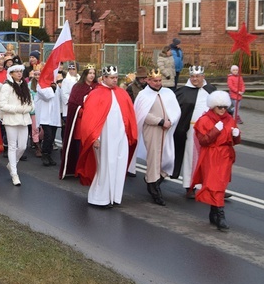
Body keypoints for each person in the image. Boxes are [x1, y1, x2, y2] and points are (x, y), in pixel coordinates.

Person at [76, 66, 137, 207]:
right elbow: (89, 119)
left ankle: (114, 196)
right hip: (104, 138)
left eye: (116, 77)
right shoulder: (96, 94)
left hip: (120, 137)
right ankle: (99, 198)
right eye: (112, 77)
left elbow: (129, 115)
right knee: (105, 167)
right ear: (104, 78)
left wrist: (129, 135)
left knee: (119, 166)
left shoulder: (122, 94)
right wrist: (94, 138)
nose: (115, 80)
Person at [191, 91, 241, 231]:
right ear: (213, 106)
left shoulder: (229, 119)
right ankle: (220, 216)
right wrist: (215, 131)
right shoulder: (204, 120)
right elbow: (203, 141)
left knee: (220, 186)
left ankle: (214, 213)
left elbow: (234, 141)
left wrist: (236, 136)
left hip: (225, 156)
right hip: (211, 155)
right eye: (219, 107)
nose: (222, 110)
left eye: (225, 107)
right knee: (215, 185)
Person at [131, 68, 181, 205]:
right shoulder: (143, 95)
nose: (158, 83)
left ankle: (154, 179)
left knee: (168, 157)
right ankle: (154, 188)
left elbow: (176, 109)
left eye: (160, 80)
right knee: (154, 157)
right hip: (152, 130)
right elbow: (142, 114)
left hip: (167, 129)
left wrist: (172, 121)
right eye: (155, 81)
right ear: (148, 80)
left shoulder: (168, 93)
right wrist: (159, 121)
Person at [173, 66, 217, 198]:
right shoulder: (183, 92)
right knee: (191, 158)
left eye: (197, 76)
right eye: (192, 76)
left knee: (210, 159)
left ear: (203, 76)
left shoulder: (211, 90)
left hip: (209, 131)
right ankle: (190, 186)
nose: (195, 79)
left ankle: (213, 186)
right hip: (191, 131)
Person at [0, 64, 33, 186]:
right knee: (12, 146)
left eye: (20, 71)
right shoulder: (7, 86)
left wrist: (28, 108)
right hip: (11, 119)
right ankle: (14, 174)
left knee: (22, 146)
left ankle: (12, 164)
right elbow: (2, 105)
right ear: (11, 73)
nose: (19, 74)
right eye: (16, 72)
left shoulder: (24, 85)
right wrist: (17, 109)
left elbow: (31, 102)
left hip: (24, 119)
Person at [59, 66, 98, 179]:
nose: (92, 75)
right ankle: (79, 169)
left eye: (93, 73)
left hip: (94, 122)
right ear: (85, 74)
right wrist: (81, 111)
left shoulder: (97, 87)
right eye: (89, 73)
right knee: (80, 145)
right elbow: (72, 103)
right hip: (81, 122)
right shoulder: (77, 87)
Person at [34, 69, 62, 167]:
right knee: (48, 136)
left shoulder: (54, 84)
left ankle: (49, 154)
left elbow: (58, 98)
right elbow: (47, 96)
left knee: (52, 137)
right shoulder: (40, 85)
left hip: (54, 115)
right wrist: (52, 88)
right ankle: (45, 154)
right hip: (45, 116)